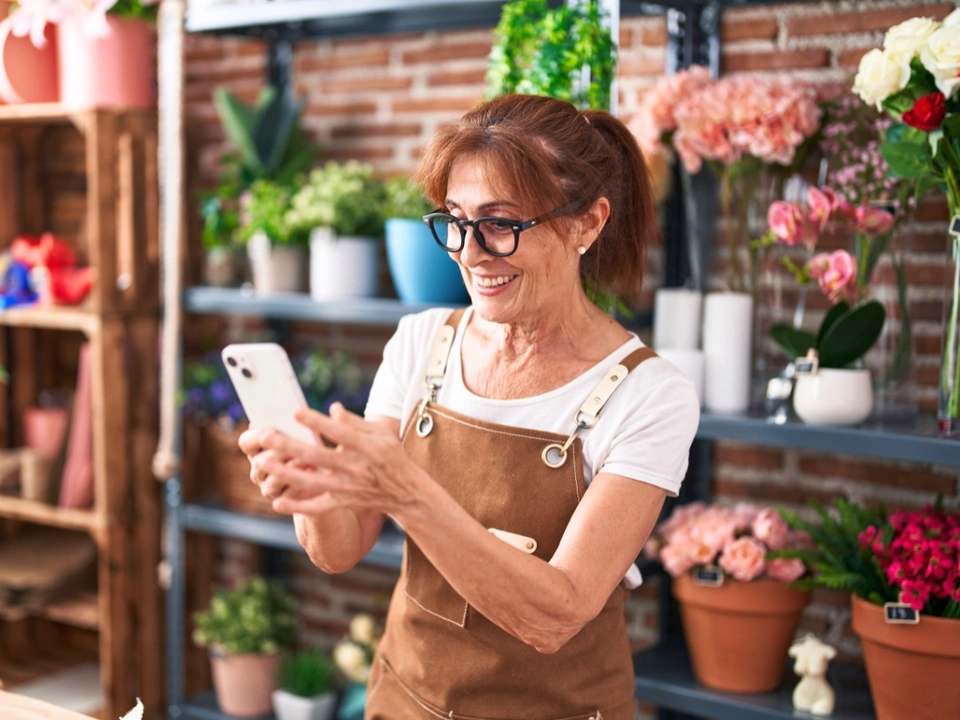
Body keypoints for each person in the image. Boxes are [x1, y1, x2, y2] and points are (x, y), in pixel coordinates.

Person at [240, 93, 700, 720]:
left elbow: (556, 614)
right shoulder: (421, 342)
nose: (469, 251)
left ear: (587, 224)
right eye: (455, 220)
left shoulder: (649, 393)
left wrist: (407, 492)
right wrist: (309, 494)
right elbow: (341, 547)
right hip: (407, 699)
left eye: (501, 223)